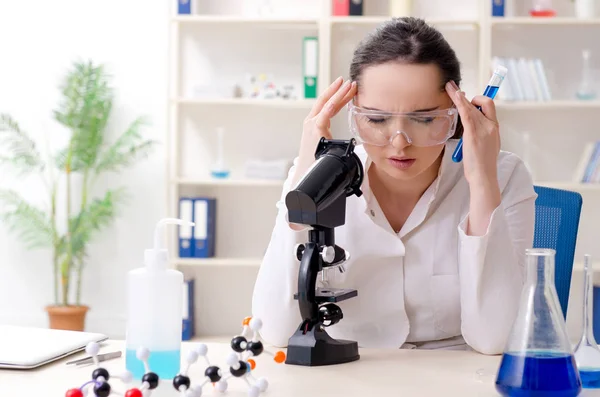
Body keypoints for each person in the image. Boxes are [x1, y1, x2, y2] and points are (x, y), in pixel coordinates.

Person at [251, 17, 537, 355]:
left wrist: (483, 182)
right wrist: (304, 173)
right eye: (375, 119)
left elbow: (498, 339)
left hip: (454, 376)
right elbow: (274, 330)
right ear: (353, 114)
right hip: (349, 371)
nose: (399, 142)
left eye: (425, 119)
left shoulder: (503, 174)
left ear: (458, 113)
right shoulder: (320, 175)